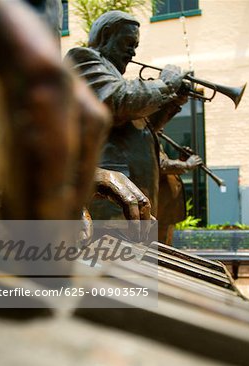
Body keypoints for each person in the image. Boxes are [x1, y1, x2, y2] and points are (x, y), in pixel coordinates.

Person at [66, 10, 190, 236]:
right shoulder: (83, 59)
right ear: (105, 35)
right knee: (112, 267)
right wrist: (165, 85)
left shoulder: (113, 75)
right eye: (128, 43)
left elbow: (144, 129)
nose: (133, 52)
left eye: (136, 45)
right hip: (111, 198)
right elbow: (115, 101)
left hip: (135, 196)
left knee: (136, 267)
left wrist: (173, 101)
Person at [158, 146, 202, 245]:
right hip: (159, 211)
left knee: (165, 245)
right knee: (159, 248)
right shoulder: (146, 140)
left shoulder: (156, 143)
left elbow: (167, 171)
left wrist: (181, 161)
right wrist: (186, 164)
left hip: (166, 212)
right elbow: (161, 165)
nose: (162, 129)